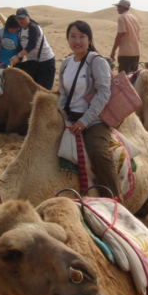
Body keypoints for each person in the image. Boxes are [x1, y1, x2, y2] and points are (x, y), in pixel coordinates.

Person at [58, 20, 122, 200]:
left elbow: (104, 92)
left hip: (94, 120)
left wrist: (85, 120)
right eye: (72, 36)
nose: (77, 41)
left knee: (98, 153)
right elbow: (63, 92)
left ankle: (115, 200)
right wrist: (61, 111)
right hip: (69, 117)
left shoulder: (96, 61)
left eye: (81, 36)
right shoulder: (65, 63)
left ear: (89, 39)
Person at [10, 8, 56, 90]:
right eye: (18, 18)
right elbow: (20, 48)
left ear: (28, 17)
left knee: (44, 91)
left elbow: (31, 45)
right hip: (33, 64)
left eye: (23, 18)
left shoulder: (33, 28)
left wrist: (18, 56)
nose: (21, 20)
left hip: (46, 62)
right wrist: (15, 61)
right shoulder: (20, 31)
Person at [109, 0, 141, 73]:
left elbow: (120, 34)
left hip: (125, 53)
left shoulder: (122, 17)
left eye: (118, 7)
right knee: (132, 78)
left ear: (122, 7)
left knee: (124, 79)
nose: (117, 9)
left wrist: (113, 51)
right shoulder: (135, 18)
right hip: (136, 52)